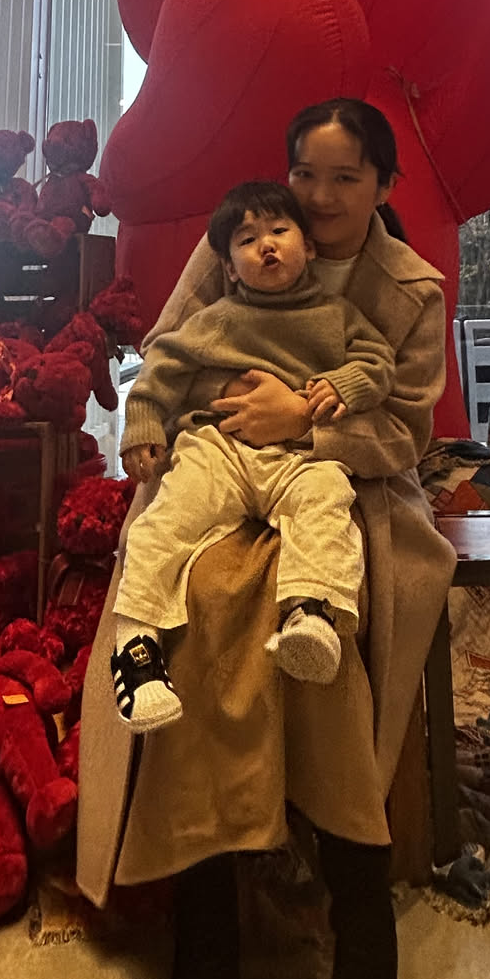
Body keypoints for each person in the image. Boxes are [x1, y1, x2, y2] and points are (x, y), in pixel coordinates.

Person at [78, 98, 456, 979]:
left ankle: (356, 897)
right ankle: (205, 917)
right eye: (305, 175)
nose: (319, 198)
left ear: (383, 186)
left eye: (346, 178)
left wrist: (303, 420)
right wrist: (180, 426)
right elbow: (166, 356)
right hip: (216, 456)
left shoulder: (408, 289)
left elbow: (404, 429)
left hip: (349, 480)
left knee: (327, 613)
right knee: (198, 592)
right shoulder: (239, 237)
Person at [110, 179, 397, 730]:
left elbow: (378, 361)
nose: (266, 245)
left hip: (298, 456)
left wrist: (343, 385)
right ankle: (137, 644)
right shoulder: (217, 318)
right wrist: (142, 421)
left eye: (279, 231)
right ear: (229, 267)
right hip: (219, 447)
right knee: (168, 518)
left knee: (328, 499)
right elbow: (163, 363)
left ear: (308, 247)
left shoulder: (337, 316)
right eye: (247, 240)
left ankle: (311, 613)